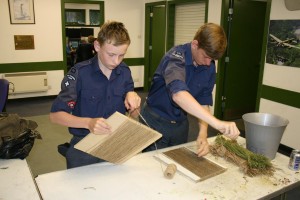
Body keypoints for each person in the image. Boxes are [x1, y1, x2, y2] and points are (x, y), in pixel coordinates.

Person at [50, 21, 141, 169]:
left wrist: (134, 102)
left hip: (116, 143)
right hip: (84, 146)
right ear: (97, 46)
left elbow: (135, 115)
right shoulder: (79, 73)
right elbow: (55, 116)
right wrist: (88, 123)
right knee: (81, 190)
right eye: (111, 54)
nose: (116, 61)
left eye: (121, 55)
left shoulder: (124, 71)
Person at [140, 23, 240, 156]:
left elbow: (204, 101)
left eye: (212, 59)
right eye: (206, 57)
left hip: (180, 125)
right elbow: (178, 95)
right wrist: (217, 123)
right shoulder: (175, 57)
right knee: (152, 166)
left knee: (178, 161)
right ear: (195, 44)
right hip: (155, 121)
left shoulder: (209, 65)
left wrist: (203, 133)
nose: (208, 63)